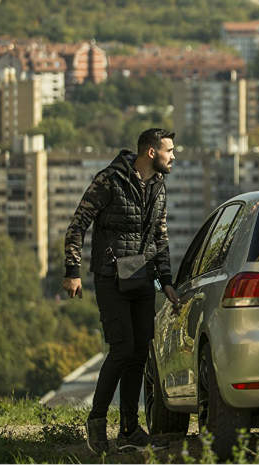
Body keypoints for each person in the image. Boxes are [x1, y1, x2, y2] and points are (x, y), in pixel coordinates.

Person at [62, 128, 180, 453]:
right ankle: (97, 422)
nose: (174, 156)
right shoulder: (110, 180)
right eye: (169, 150)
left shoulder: (159, 187)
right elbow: (77, 225)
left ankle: (129, 429)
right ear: (151, 153)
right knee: (121, 349)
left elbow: (161, 237)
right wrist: (72, 272)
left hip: (142, 277)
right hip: (110, 277)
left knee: (140, 352)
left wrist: (167, 282)